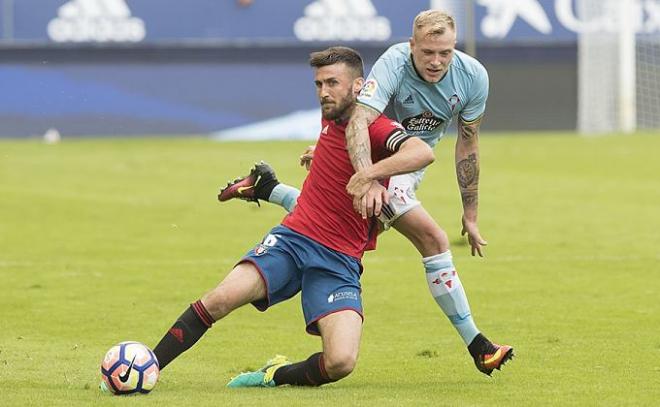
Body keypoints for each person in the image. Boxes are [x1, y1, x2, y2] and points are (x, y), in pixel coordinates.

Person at [218, 10, 514, 376]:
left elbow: (467, 145)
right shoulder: (393, 62)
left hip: (407, 166)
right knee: (433, 239)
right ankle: (478, 346)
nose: (436, 61)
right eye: (427, 53)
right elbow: (357, 118)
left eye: (445, 53)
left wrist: (470, 213)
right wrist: (362, 174)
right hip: (370, 155)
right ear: (412, 47)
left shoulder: (473, 78)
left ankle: (270, 188)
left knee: (347, 222)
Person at [152, 46, 434, 387]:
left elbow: (422, 152)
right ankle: (147, 367)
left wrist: (370, 175)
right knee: (220, 299)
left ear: (359, 86)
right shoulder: (331, 113)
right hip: (293, 240)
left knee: (341, 362)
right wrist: (325, 155)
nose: (323, 92)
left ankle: (273, 376)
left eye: (332, 82)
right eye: (318, 84)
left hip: (339, 260)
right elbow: (340, 150)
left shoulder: (377, 127)